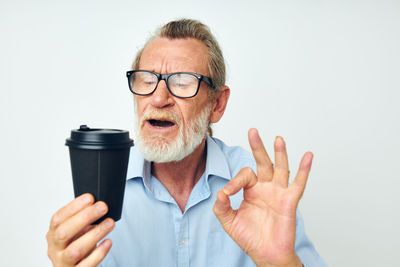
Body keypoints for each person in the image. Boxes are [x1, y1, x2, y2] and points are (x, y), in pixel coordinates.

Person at [46, 19, 327, 267]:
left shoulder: (260, 188)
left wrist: (282, 266)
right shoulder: (99, 185)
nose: (158, 98)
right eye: (146, 80)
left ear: (217, 104)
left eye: (182, 82)